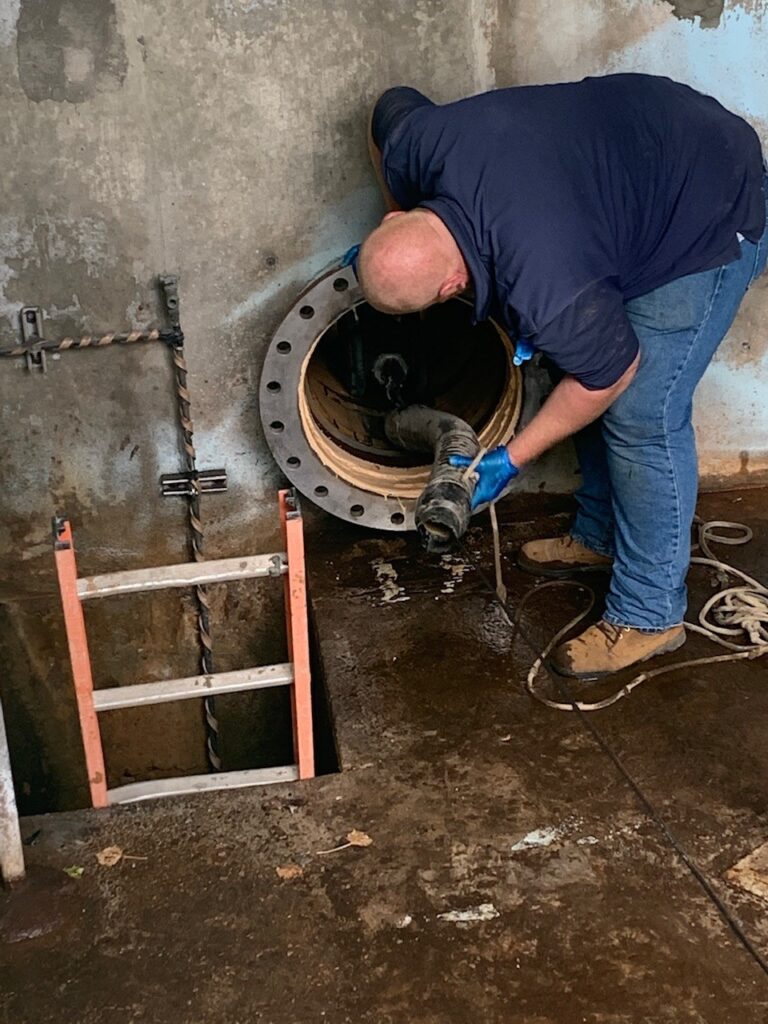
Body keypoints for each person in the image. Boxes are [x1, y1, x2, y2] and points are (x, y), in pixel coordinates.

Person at [358, 74, 767, 678]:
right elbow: (386, 104)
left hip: (709, 201)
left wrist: (512, 458)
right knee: (581, 359)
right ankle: (601, 536)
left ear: (450, 287)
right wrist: (395, 222)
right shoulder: (419, 141)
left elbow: (609, 374)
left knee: (642, 414)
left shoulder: (544, 279)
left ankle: (650, 616)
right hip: (638, 156)